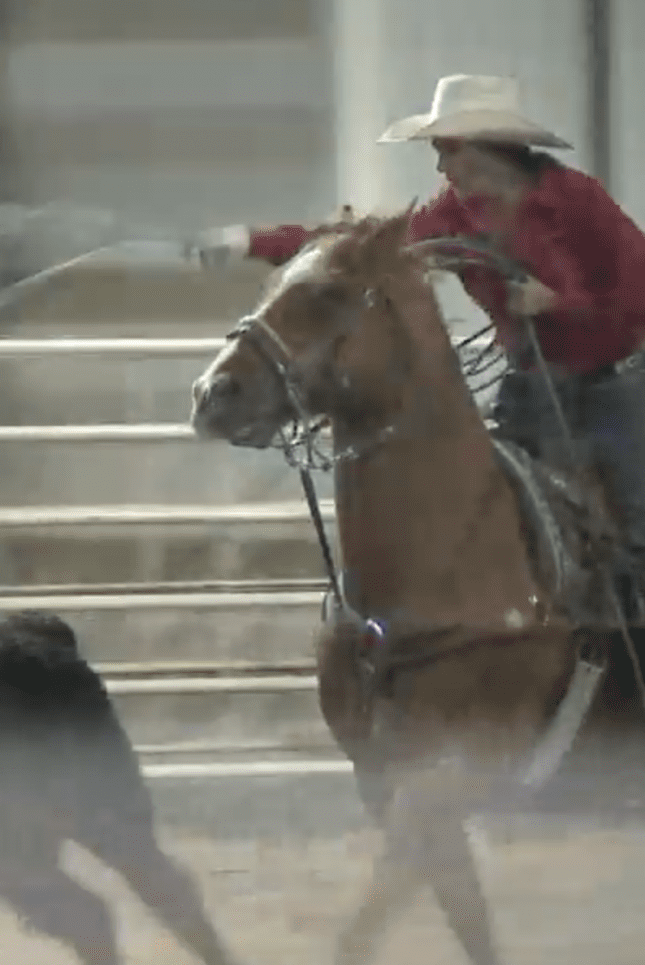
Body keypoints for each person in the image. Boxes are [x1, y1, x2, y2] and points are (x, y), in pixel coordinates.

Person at [193, 73, 645, 585]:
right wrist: (253, 241)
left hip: (614, 385)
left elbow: (636, 295)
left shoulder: (577, 199)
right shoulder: (452, 214)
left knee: (635, 528)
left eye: (448, 149)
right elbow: (358, 246)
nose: (440, 164)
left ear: (488, 149)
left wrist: (559, 305)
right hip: (532, 386)